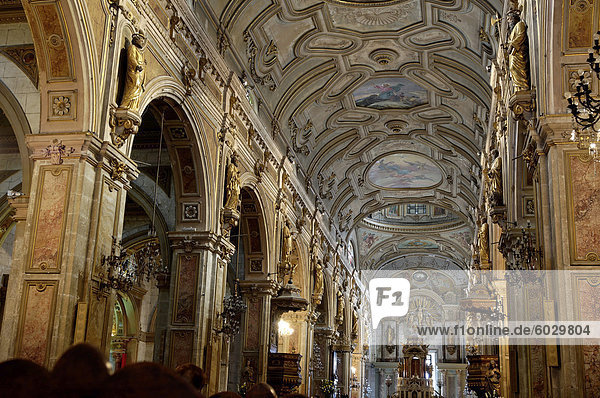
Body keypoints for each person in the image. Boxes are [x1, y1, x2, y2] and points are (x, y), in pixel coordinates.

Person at [120, 32, 147, 112]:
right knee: (133, 86)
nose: (142, 43)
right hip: (134, 72)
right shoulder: (132, 48)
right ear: (136, 40)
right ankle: (126, 104)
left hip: (139, 75)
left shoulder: (140, 53)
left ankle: (133, 107)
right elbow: (131, 58)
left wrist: (144, 82)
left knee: (138, 89)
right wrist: (136, 65)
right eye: (141, 41)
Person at [507, 11, 530, 91]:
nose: (509, 22)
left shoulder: (519, 24)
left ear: (514, 18)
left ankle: (523, 86)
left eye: (509, 19)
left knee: (514, 68)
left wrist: (512, 44)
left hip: (518, 51)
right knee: (512, 69)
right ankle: (518, 88)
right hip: (513, 54)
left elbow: (521, 35)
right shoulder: (511, 32)